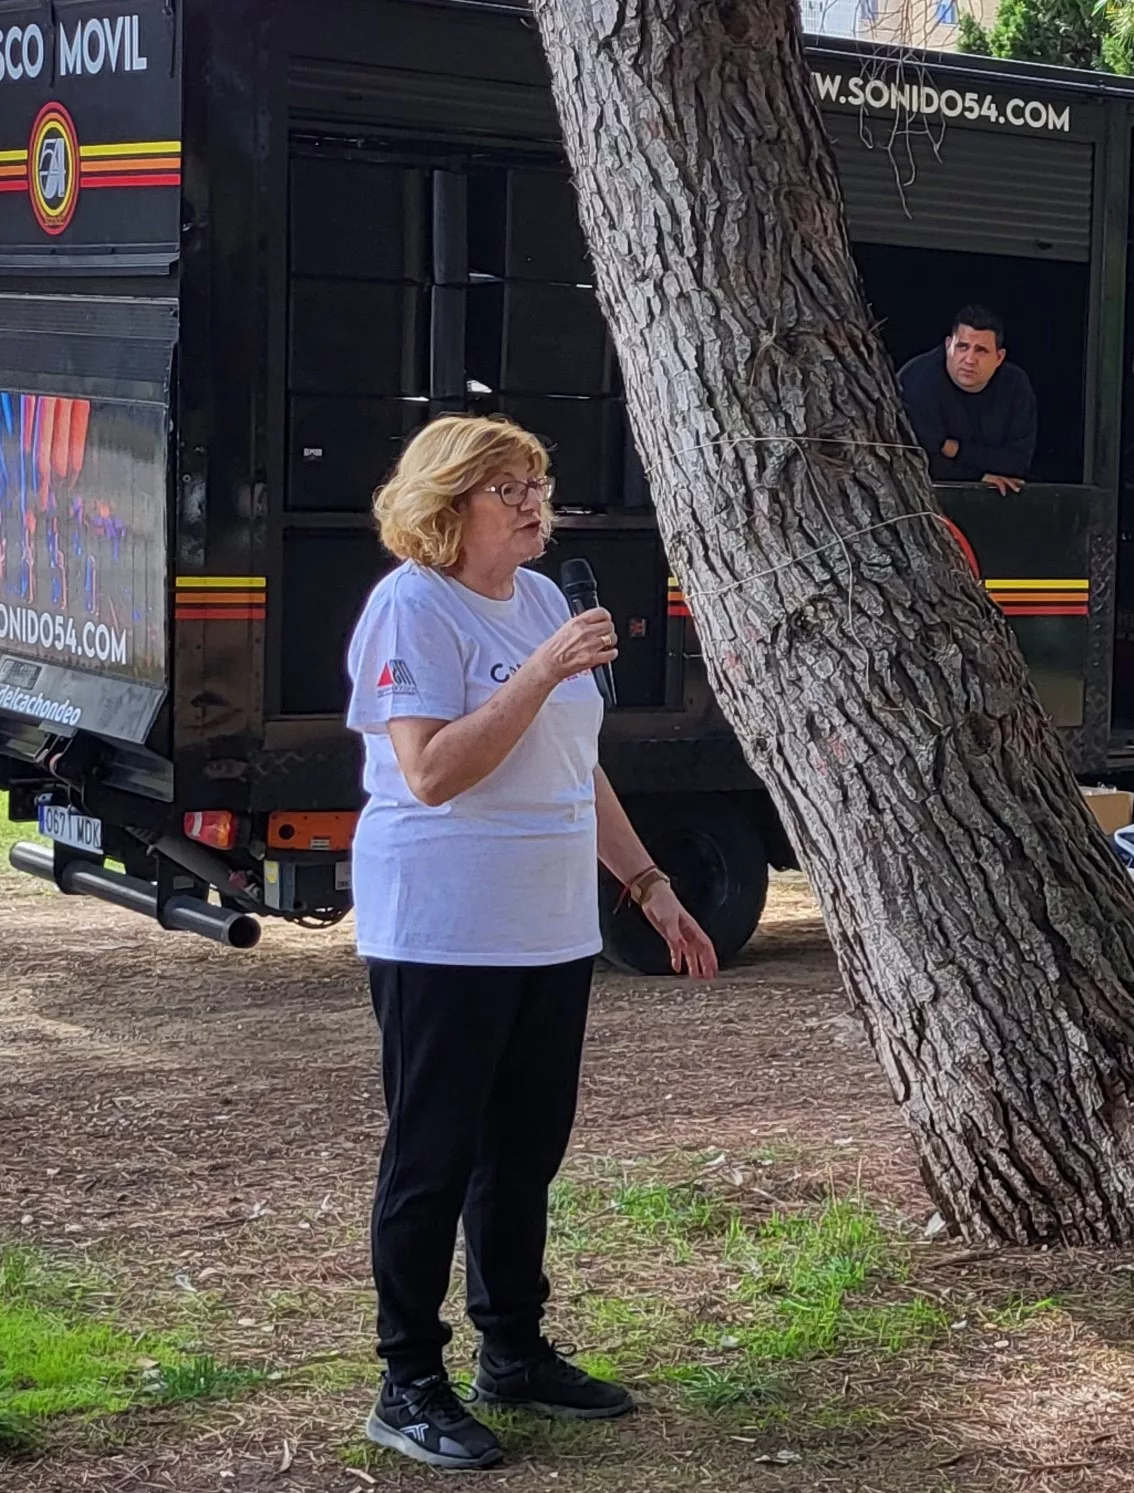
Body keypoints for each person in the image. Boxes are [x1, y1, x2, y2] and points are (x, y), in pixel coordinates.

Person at [343, 414, 719, 1470]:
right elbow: (431, 770)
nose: (531, 500)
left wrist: (647, 885)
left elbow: (574, 763)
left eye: (537, 481)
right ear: (446, 501)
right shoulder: (412, 606)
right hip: (445, 926)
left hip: (548, 927)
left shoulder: (547, 598)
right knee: (434, 1154)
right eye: (507, 486)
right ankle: (407, 1378)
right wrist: (541, 669)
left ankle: (513, 1347)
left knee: (525, 1153)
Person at [898, 304, 1037, 494]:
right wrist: (977, 477)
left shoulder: (1015, 385)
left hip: (999, 496)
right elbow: (918, 459)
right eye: (962, 347)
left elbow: (1017, 462)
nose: (969, 359)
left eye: (981, 350)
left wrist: (954, 449)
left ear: (999, 357)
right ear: (948, 345)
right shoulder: (918, 379)